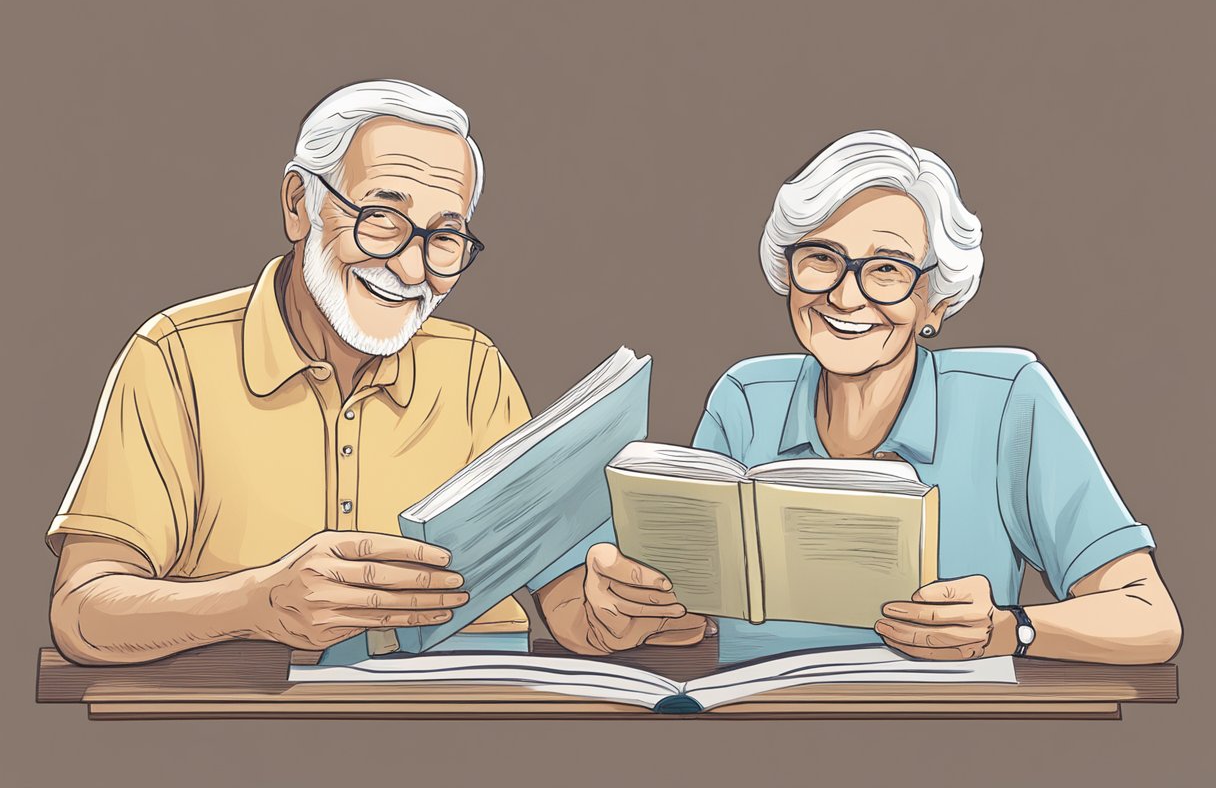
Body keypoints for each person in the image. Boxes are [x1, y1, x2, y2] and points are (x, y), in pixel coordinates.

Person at [45, 79, 701, 664]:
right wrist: (258, 603)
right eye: (381, 219)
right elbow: (82, 613)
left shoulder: (473, 368)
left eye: (444, 239)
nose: (414, 272)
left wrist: (616, 607)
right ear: (298, 203)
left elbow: (564, 606)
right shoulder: (176, 359)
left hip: (468, 734)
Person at [540, 130, 1182, 665]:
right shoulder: (744, 398)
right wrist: (637, 606)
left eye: (887, 269)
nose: (846, 298)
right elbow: (695, 620)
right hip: (757, 743)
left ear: (935, 302)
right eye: (822, 259)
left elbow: (1150, 618)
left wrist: (1010, 630)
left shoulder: (1010, 398)